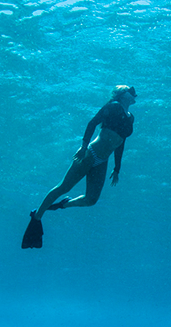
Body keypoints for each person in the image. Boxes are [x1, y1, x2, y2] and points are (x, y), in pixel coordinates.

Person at [22, 85, 137, 248]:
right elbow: (92, 123)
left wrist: (117, 168)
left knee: (91, 200)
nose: (133, 93)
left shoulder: (131, 118)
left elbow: (121, 143)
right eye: (130, 90)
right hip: (90, 153)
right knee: (64, 187)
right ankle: (37, 217)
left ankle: (63, 204)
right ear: (122, 94)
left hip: (103, 161)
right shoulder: (114, 106)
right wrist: (83, 147)